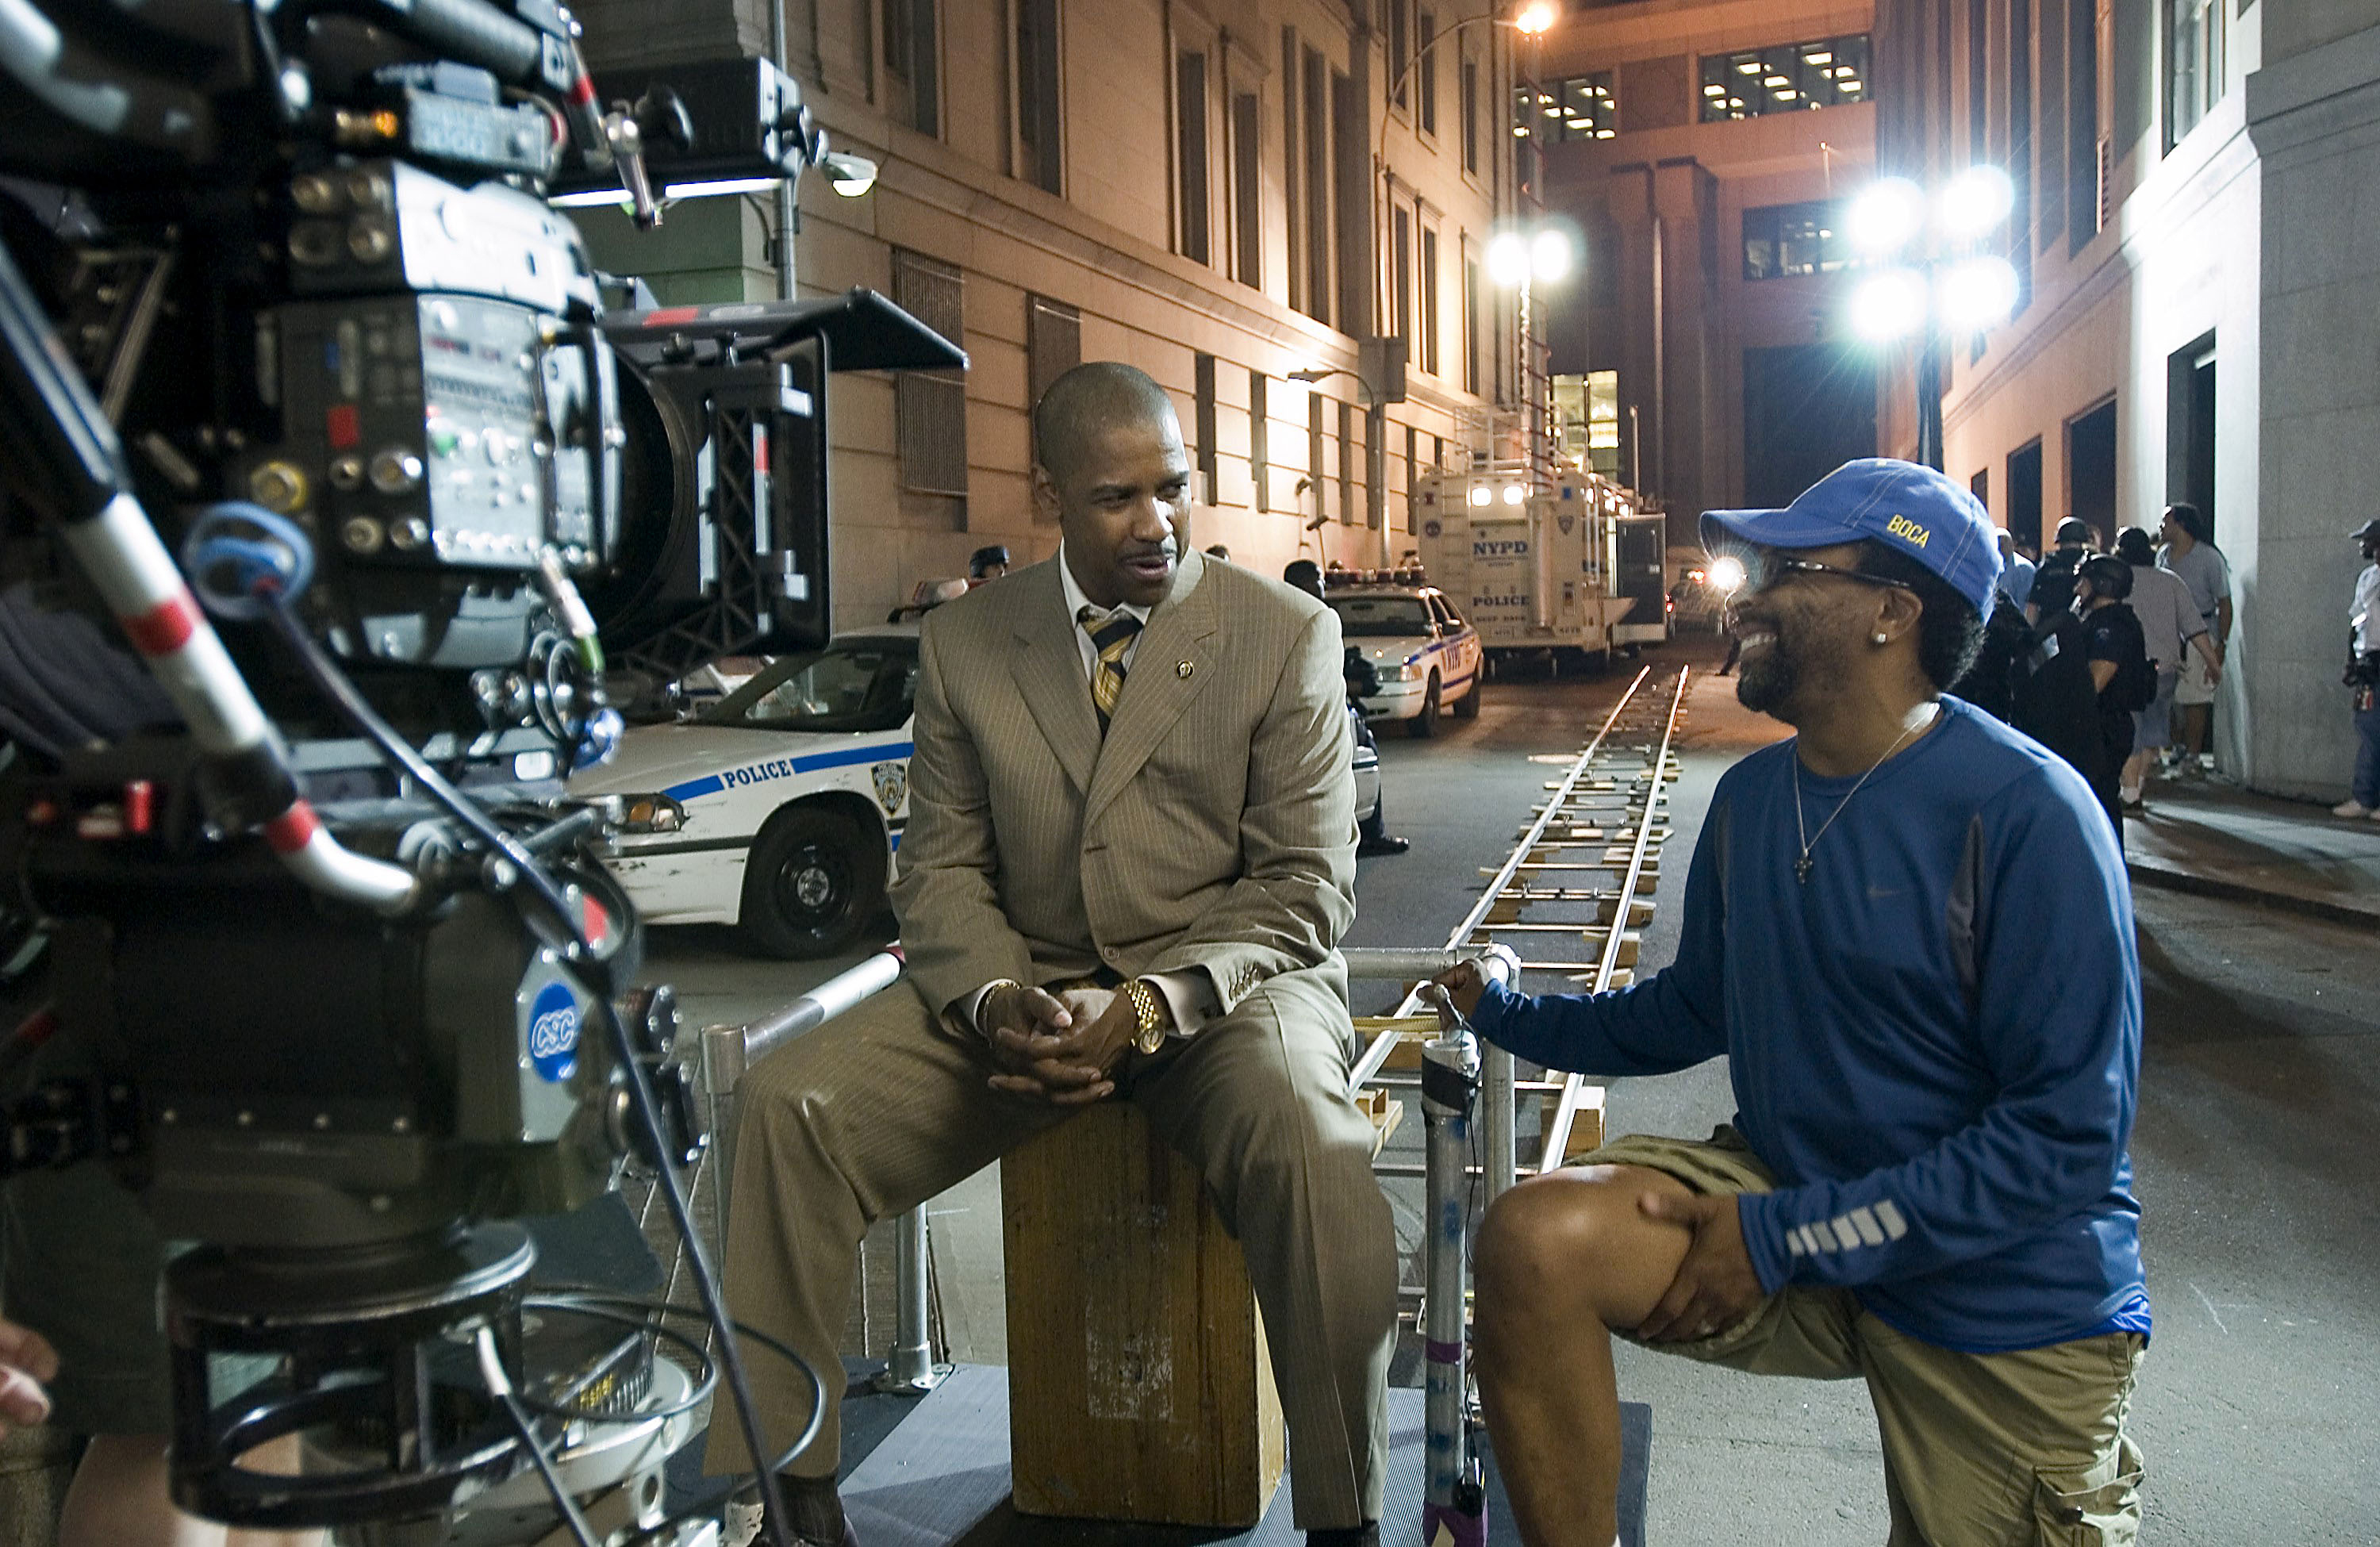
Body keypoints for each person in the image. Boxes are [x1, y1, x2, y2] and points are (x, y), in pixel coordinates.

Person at [710, 363, 1395, 1547]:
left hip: (1226, 992)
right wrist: (990, 1002)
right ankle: (794, 1497)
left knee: (1314, 1147)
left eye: (1173, 489)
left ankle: (1345, 1520)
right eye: (1118, 497)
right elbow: (937, 870)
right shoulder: (971, 641)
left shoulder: (1287, 635)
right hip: (1022, 996)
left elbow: (1303, 886)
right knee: (787, 1104)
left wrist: (1149, 1005)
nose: (1157, 523)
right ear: (1053, 499)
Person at [1431, 457, 2148, 1547]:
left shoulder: (2026, 813)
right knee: (1534, 1244)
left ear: (1891, 613)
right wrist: (1508, 1015)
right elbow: (1693, 1009)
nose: (1745, 593)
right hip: (1796, 1204)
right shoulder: (1759, 798)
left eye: (1786, 568)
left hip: (2000, 1293)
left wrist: (1782, 1234)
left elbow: (2063, 1147)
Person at [1285, 561, 1410, 856]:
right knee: (1365, 745)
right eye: (1318, 581)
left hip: (1313, 709)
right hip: (1319, 712)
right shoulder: (1311, 617)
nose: (1323, 588)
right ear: (1304, 584)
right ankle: (1370, 833)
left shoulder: (1285, 614)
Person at [2113, 528, 2220, 809]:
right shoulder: (2171, 582)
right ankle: (2137, 785)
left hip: (2126, 670)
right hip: (2164, 671)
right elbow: (2194, 626)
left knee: (2130, 731)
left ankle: (2130, 791)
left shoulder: (2117, 583)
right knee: (2153, 733)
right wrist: (2212, 662)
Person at [2073, 555, 2155, 833]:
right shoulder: (2102, 620)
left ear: (2102, 585)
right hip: (2102, 725)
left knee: (2101, 802)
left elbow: (2094, 682)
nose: (2078, 589)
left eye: (2083, 582)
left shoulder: (2113, 626)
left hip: (2107, 727)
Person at [2156, 505, 2231, 775]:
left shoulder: (2209, 558)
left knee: (2195, 697)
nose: (2161, 527)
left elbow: (2224, 603)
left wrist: (2220, 643)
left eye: (2166, 521)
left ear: (2181, 524)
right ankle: (2176, 747)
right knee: (2169, 696)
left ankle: (2194, 754)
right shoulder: (2163, 556)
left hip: (2199, 631)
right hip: (2168, 634)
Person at [2334, 518, 2380, 819]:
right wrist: (2351, 660)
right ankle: (2364, 797)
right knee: (2368, 727)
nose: (2361, 545)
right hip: (2371, 661)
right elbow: (2356, 621)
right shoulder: (2367, 577)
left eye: (2366, 540)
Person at [1993, 527, 2036, 609]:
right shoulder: (1990, 567)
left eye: (2005, 542)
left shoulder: (2025, 568)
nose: (2001, 547)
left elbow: (2024, 602)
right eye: (1998, 543)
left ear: (2012, 545)